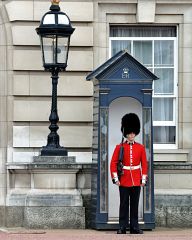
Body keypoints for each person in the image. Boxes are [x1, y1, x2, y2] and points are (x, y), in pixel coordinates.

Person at [110, 113, 148, 234]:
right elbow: (113, 163)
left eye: (133, 133)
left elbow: (144, 165)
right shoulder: (119, 147)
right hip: (124, 179)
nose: (131, 135)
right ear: (126, 133)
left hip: (136, 179)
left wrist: (143, 179)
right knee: (124, 204)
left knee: (135, 204)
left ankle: (134, 227)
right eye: (129, 133)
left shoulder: (140, 147)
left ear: (135, 133)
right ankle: (122, 226)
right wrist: (116, 178)